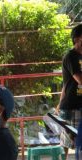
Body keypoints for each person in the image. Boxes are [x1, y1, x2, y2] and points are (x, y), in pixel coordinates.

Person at [56, 24, 82, 158]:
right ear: (77, 39)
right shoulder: (71, 56)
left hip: (77, 106)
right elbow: (79, 79)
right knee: (67, 143)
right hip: (71, 106)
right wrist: (61, 106)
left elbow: (65, 84)